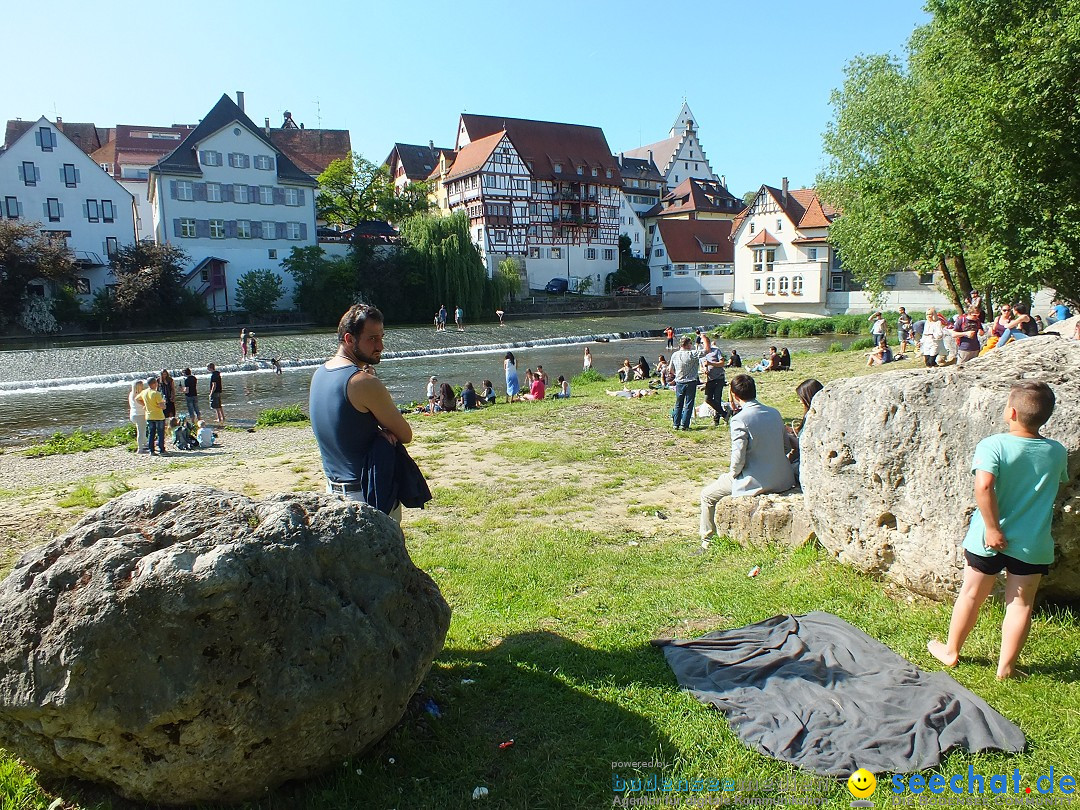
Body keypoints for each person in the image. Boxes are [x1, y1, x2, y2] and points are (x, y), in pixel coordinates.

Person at [928, 381, 1068, 680]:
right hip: (1032, 541)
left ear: (1012, 412)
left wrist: (992, 528)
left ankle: (951, 651)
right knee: (1020, 604)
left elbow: (985, 485)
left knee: (971, 595)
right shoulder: (1056, 451)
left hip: (987, 539)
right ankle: (1006, 668)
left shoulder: (993, 445)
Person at [309, 304, 415, 519]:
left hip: (333, 493)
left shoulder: (320, 374)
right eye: (372, 339)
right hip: (367, 496)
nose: (381, 346)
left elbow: (344, 427)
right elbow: (405, 434)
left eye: (382, 337)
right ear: (349, 339)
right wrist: (381, 431)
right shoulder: (362, 382)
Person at [699, 374, 795, 550]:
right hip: (783, 477)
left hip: (756, 480)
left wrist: (733, 474)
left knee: (707, 495)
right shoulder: (774, 412)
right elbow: (786, 447)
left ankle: (707, 541)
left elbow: (738, 458)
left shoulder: (739, 419)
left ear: (735, 395)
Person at [786, 378, 824, 476]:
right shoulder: (815, 413)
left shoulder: (813, 416)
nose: (800, 401)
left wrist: (791, 438)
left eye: (801, 398)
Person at [669, 336, 703, 430]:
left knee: (678, 403)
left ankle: (676, 424)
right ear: (687, 344)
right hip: (691, 381)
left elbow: (670, 369)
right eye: (690, 343)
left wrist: (677, 375)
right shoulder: (692, 353)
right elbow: (706, 351)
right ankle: (685, 425)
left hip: (679, 381)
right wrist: (705, 340)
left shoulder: (675, 354)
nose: (691, 345)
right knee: (689, 404)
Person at [137, 376, 167, 456]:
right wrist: (164, 403)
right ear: (154, 384)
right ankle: (162, 450)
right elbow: (162, 406)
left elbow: (137, 399)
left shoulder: (144, 392)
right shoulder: (156, 393)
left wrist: (144, 405)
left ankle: (151, 450)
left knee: (151, 433)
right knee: (160, 433)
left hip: (149, 416)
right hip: (158, 416)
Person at [701, 339, 727, 426]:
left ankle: (716, 420)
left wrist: (711, 363)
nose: (702, 345)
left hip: (719, 378)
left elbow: (722, 363)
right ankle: (725, 414)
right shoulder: (701, 354)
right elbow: (702, 366)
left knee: (717, 399)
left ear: (708, 343)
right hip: (709, 379)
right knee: (707, 399)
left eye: (703, 343)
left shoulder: (716, 351)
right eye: (701, 344)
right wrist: (704, 370)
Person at [128, 380, 148, 454]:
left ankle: (145, 444)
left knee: (142, 430)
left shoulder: (131, 394)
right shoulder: (140, 395)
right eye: (141, 385)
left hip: (133, 415)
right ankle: (140, 449)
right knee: (141, 431)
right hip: (140, 415)